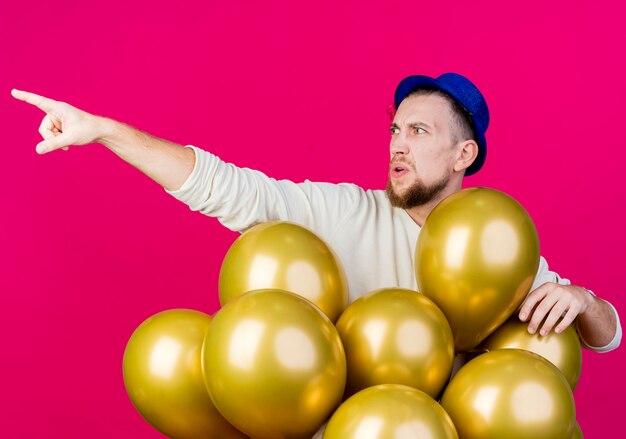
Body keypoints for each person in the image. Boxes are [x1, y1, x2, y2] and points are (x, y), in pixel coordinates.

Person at [11, 73, 621, 353]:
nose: (397, 143)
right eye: (393, 129)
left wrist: (586, 303)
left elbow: (608, 338)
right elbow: (229, 189)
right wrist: (107, 132)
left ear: (465, 153)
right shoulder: (343, 211)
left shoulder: (499, 249)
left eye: (418, 130)